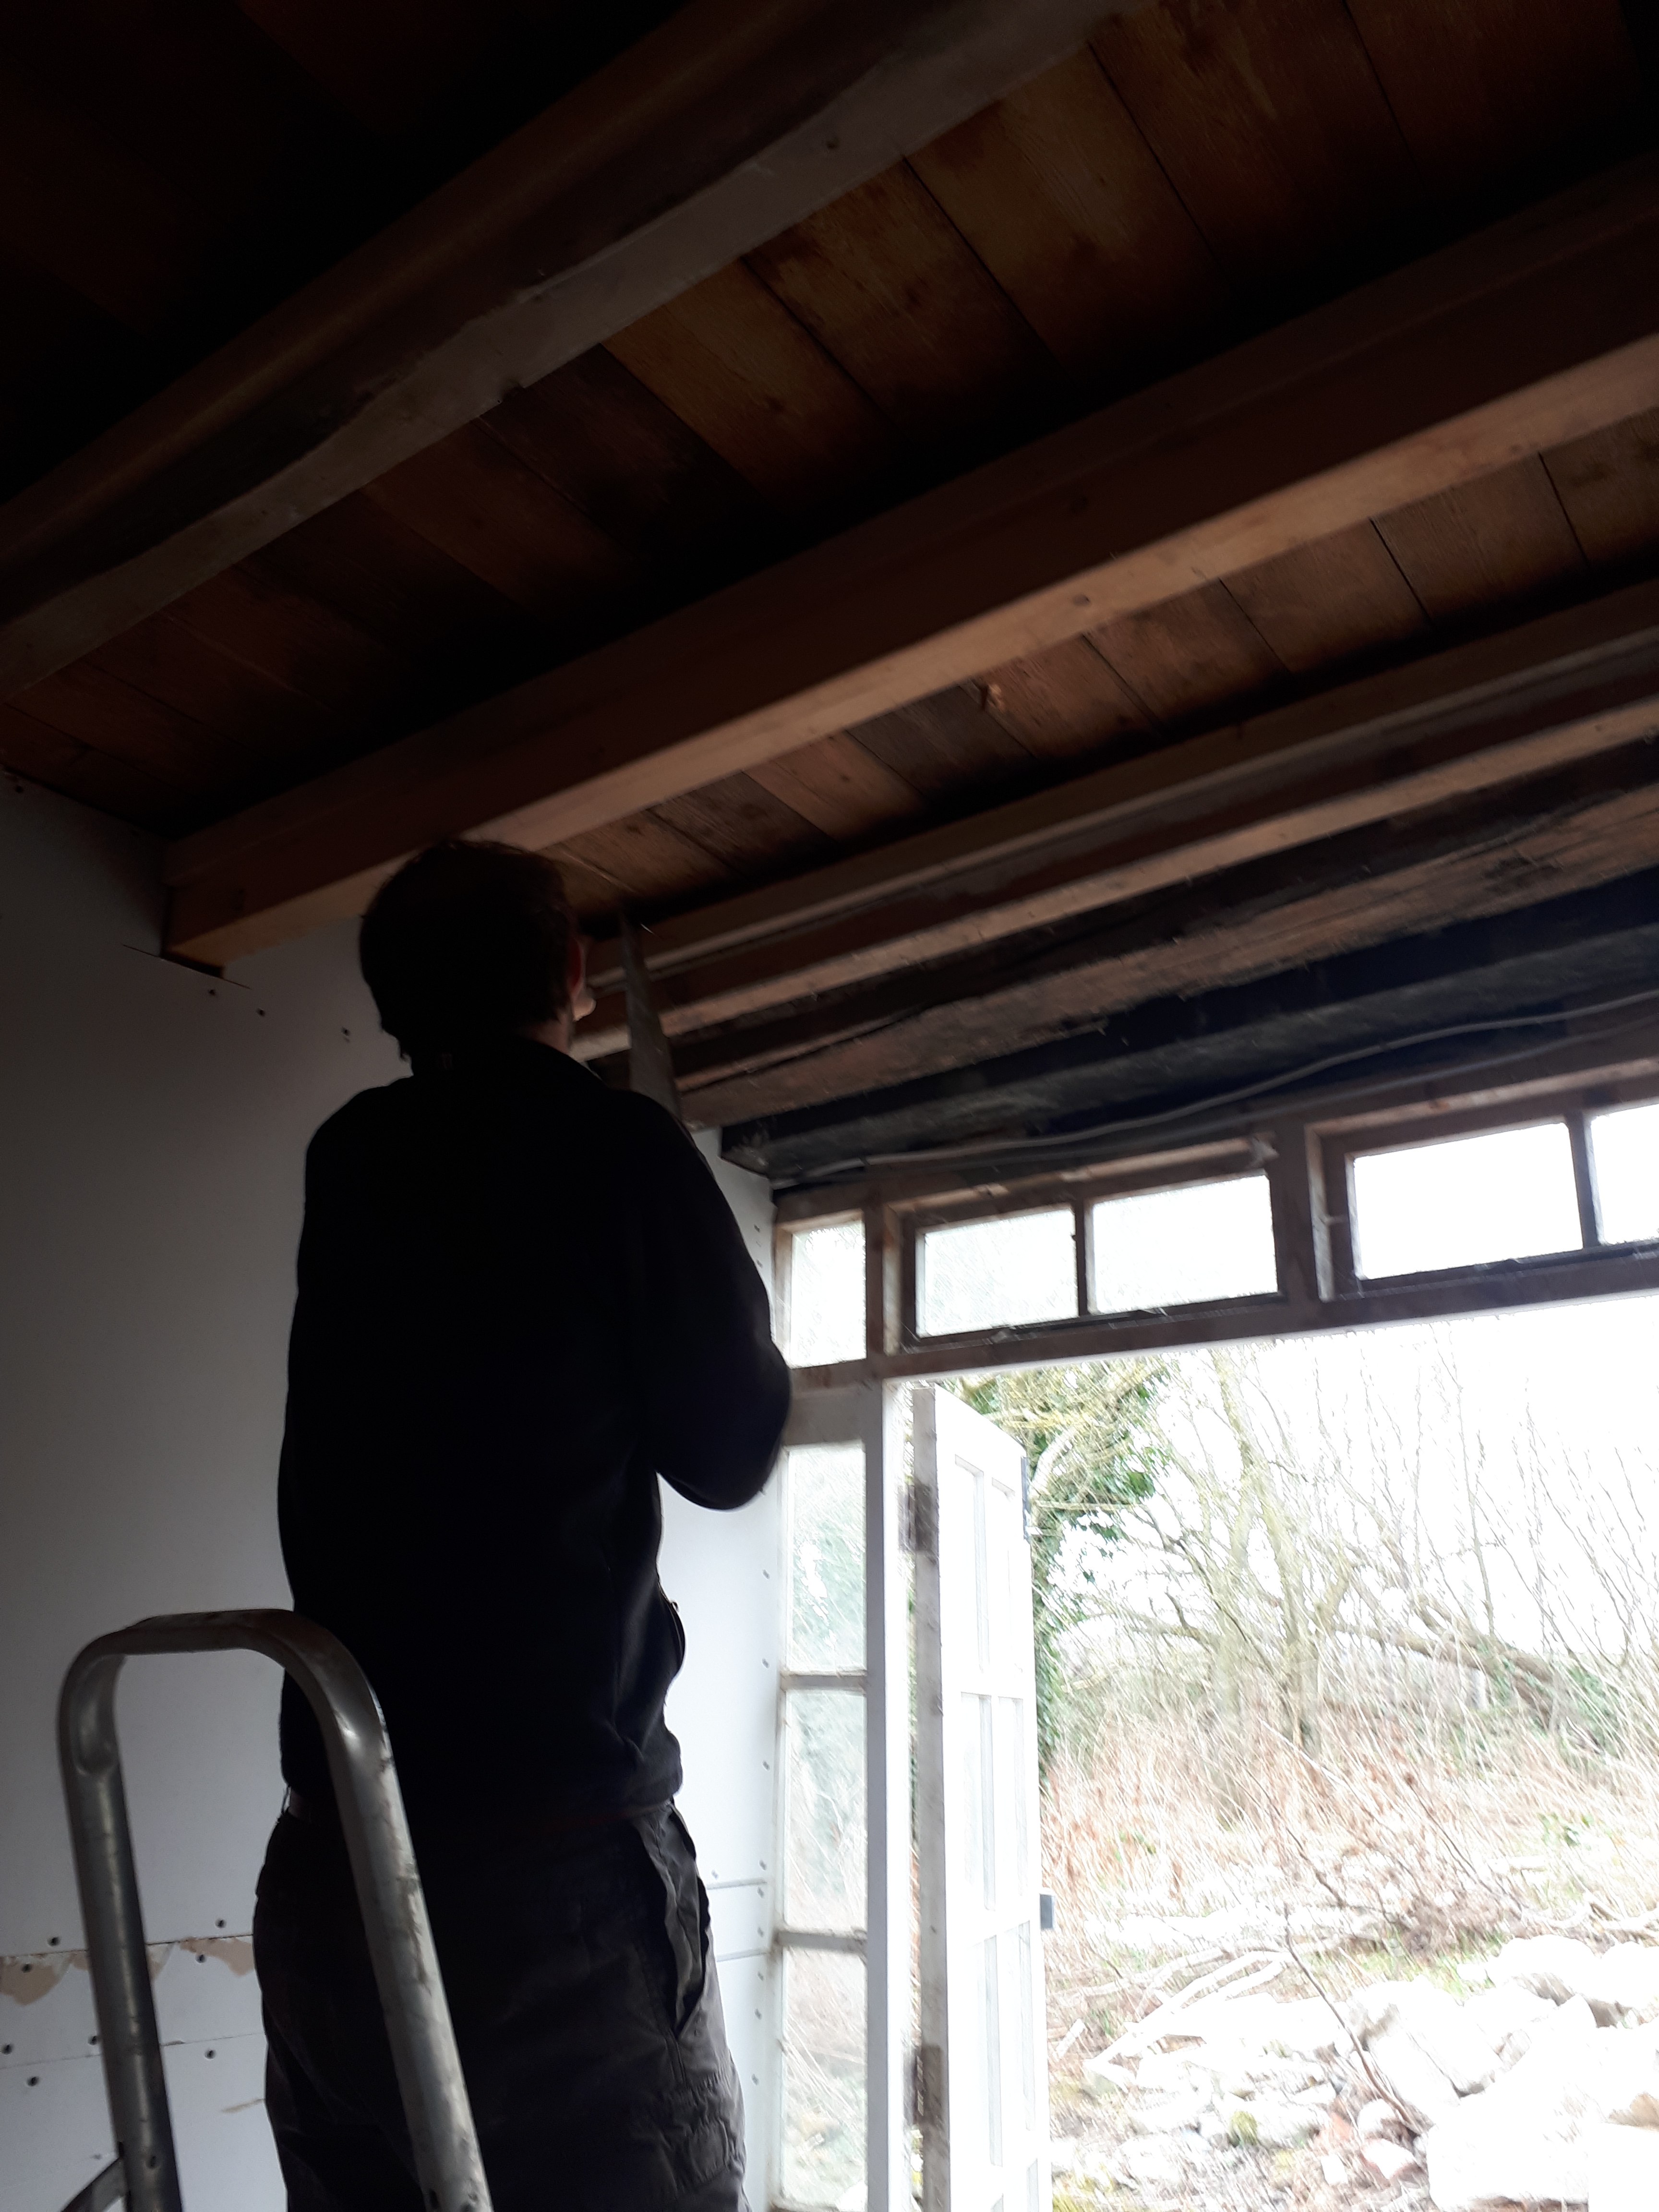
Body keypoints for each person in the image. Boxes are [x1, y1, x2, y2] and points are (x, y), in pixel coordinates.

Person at [252, 839, 792, 2212]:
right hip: (551, 1877)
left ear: (392, 1000)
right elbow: (729, 1453)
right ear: (571, 971)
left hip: (336, 1858)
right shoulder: (617, 1150)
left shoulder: (352, 1158)